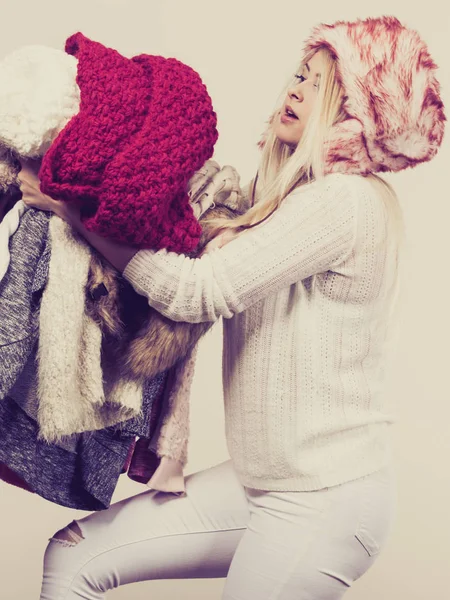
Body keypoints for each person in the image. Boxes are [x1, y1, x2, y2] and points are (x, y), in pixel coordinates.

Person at [17, 15, 445, 600]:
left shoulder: (346, 204)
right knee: (74, 557)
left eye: (323, 84)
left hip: (324, 498)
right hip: (261, 487)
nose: (296, 88)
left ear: (360, 114)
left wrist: (75, 213)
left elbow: (197, 293)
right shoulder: (282, 204)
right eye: (300, 73)